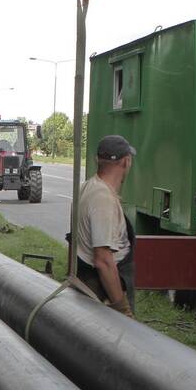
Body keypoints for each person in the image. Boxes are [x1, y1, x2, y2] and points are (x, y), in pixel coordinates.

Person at [75, 135, 137, 317]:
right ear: (126, 162)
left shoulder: (87, 187)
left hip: (88, 284)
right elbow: (103, 260)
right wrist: (121, 308)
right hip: (103, 293)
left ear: (97, 160)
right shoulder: (102, 198)